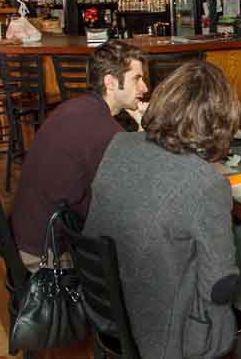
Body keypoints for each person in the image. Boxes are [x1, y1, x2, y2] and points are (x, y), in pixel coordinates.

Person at [83, 60, 241, 359]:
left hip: (105, 308)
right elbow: (218, 286)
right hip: (164, 334)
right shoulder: (205, 182)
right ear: (219, 121)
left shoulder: (120, 144)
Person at [11, 40, 148, 270]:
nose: (144, 88)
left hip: (26, 236)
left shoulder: (75, 108)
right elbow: (137, 193)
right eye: (137, 78)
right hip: (48, 257)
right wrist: (144, 131)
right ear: (111, 82)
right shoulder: (107, 132)